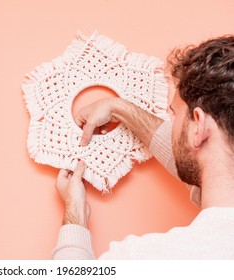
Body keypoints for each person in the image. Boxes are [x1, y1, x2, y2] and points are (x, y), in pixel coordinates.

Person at [52, 35, 234, 259]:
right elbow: (207, 166)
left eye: (174, 114)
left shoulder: (148, 258)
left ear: (199, 127)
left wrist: (75, 214)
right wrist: (118, 108)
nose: (172, 123)